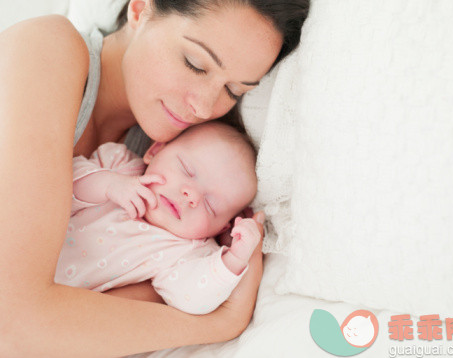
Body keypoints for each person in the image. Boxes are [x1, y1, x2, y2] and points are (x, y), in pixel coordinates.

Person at [0, 0, 309, 356]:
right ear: (140, 9)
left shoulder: (174, 177)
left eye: (233, 91)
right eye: (195, 64)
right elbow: (14, 323)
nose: (205, 107)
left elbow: (66, 322)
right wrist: (219, 324)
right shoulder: (46, 48)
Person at [58, 122, 261, 315]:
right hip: (32, 255)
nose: (191, 195)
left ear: (220, 229)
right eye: (187, 170)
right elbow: (56, 184)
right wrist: (108, 185)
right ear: (155, 151)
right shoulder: (119, 167)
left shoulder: (187, 250)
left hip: (56, 313)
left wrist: (234, 259)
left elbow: (191, 298)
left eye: (211, 206)